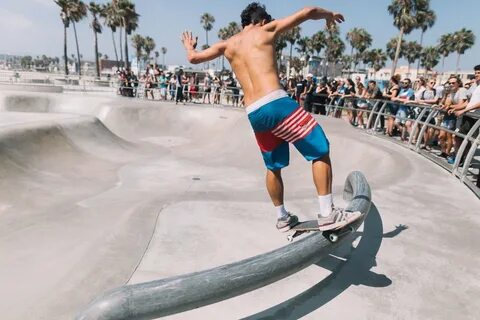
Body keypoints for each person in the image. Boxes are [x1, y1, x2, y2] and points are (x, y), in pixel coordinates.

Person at [181, 3, 361, 232]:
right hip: (276, 103)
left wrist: (189, 47)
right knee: (320, 150)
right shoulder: (266, 30)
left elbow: (194, 59)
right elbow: (306, 12)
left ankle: (282, 216)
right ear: (262, 20)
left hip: (254, 113)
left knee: (273, 167)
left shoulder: (226, 45)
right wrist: (329, 15)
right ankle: (328, 214)